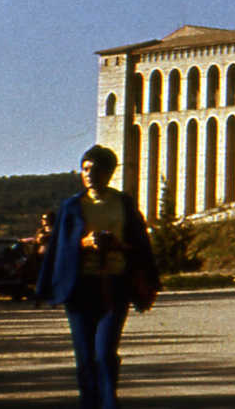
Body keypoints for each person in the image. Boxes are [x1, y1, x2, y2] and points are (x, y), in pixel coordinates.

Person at [37, 145, 159, 409]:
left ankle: (108, 402)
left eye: (95, 169)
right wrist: (84, 243)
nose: (89, 174)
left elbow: (140, 244)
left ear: (109, 172)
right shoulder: (71, 206)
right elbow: (59, 248)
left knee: (104, 353)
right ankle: (90, 403)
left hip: (114, 285)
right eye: (85, 168)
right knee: (85, 357)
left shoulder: (124, 203)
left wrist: (116, 246)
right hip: (80, 287)